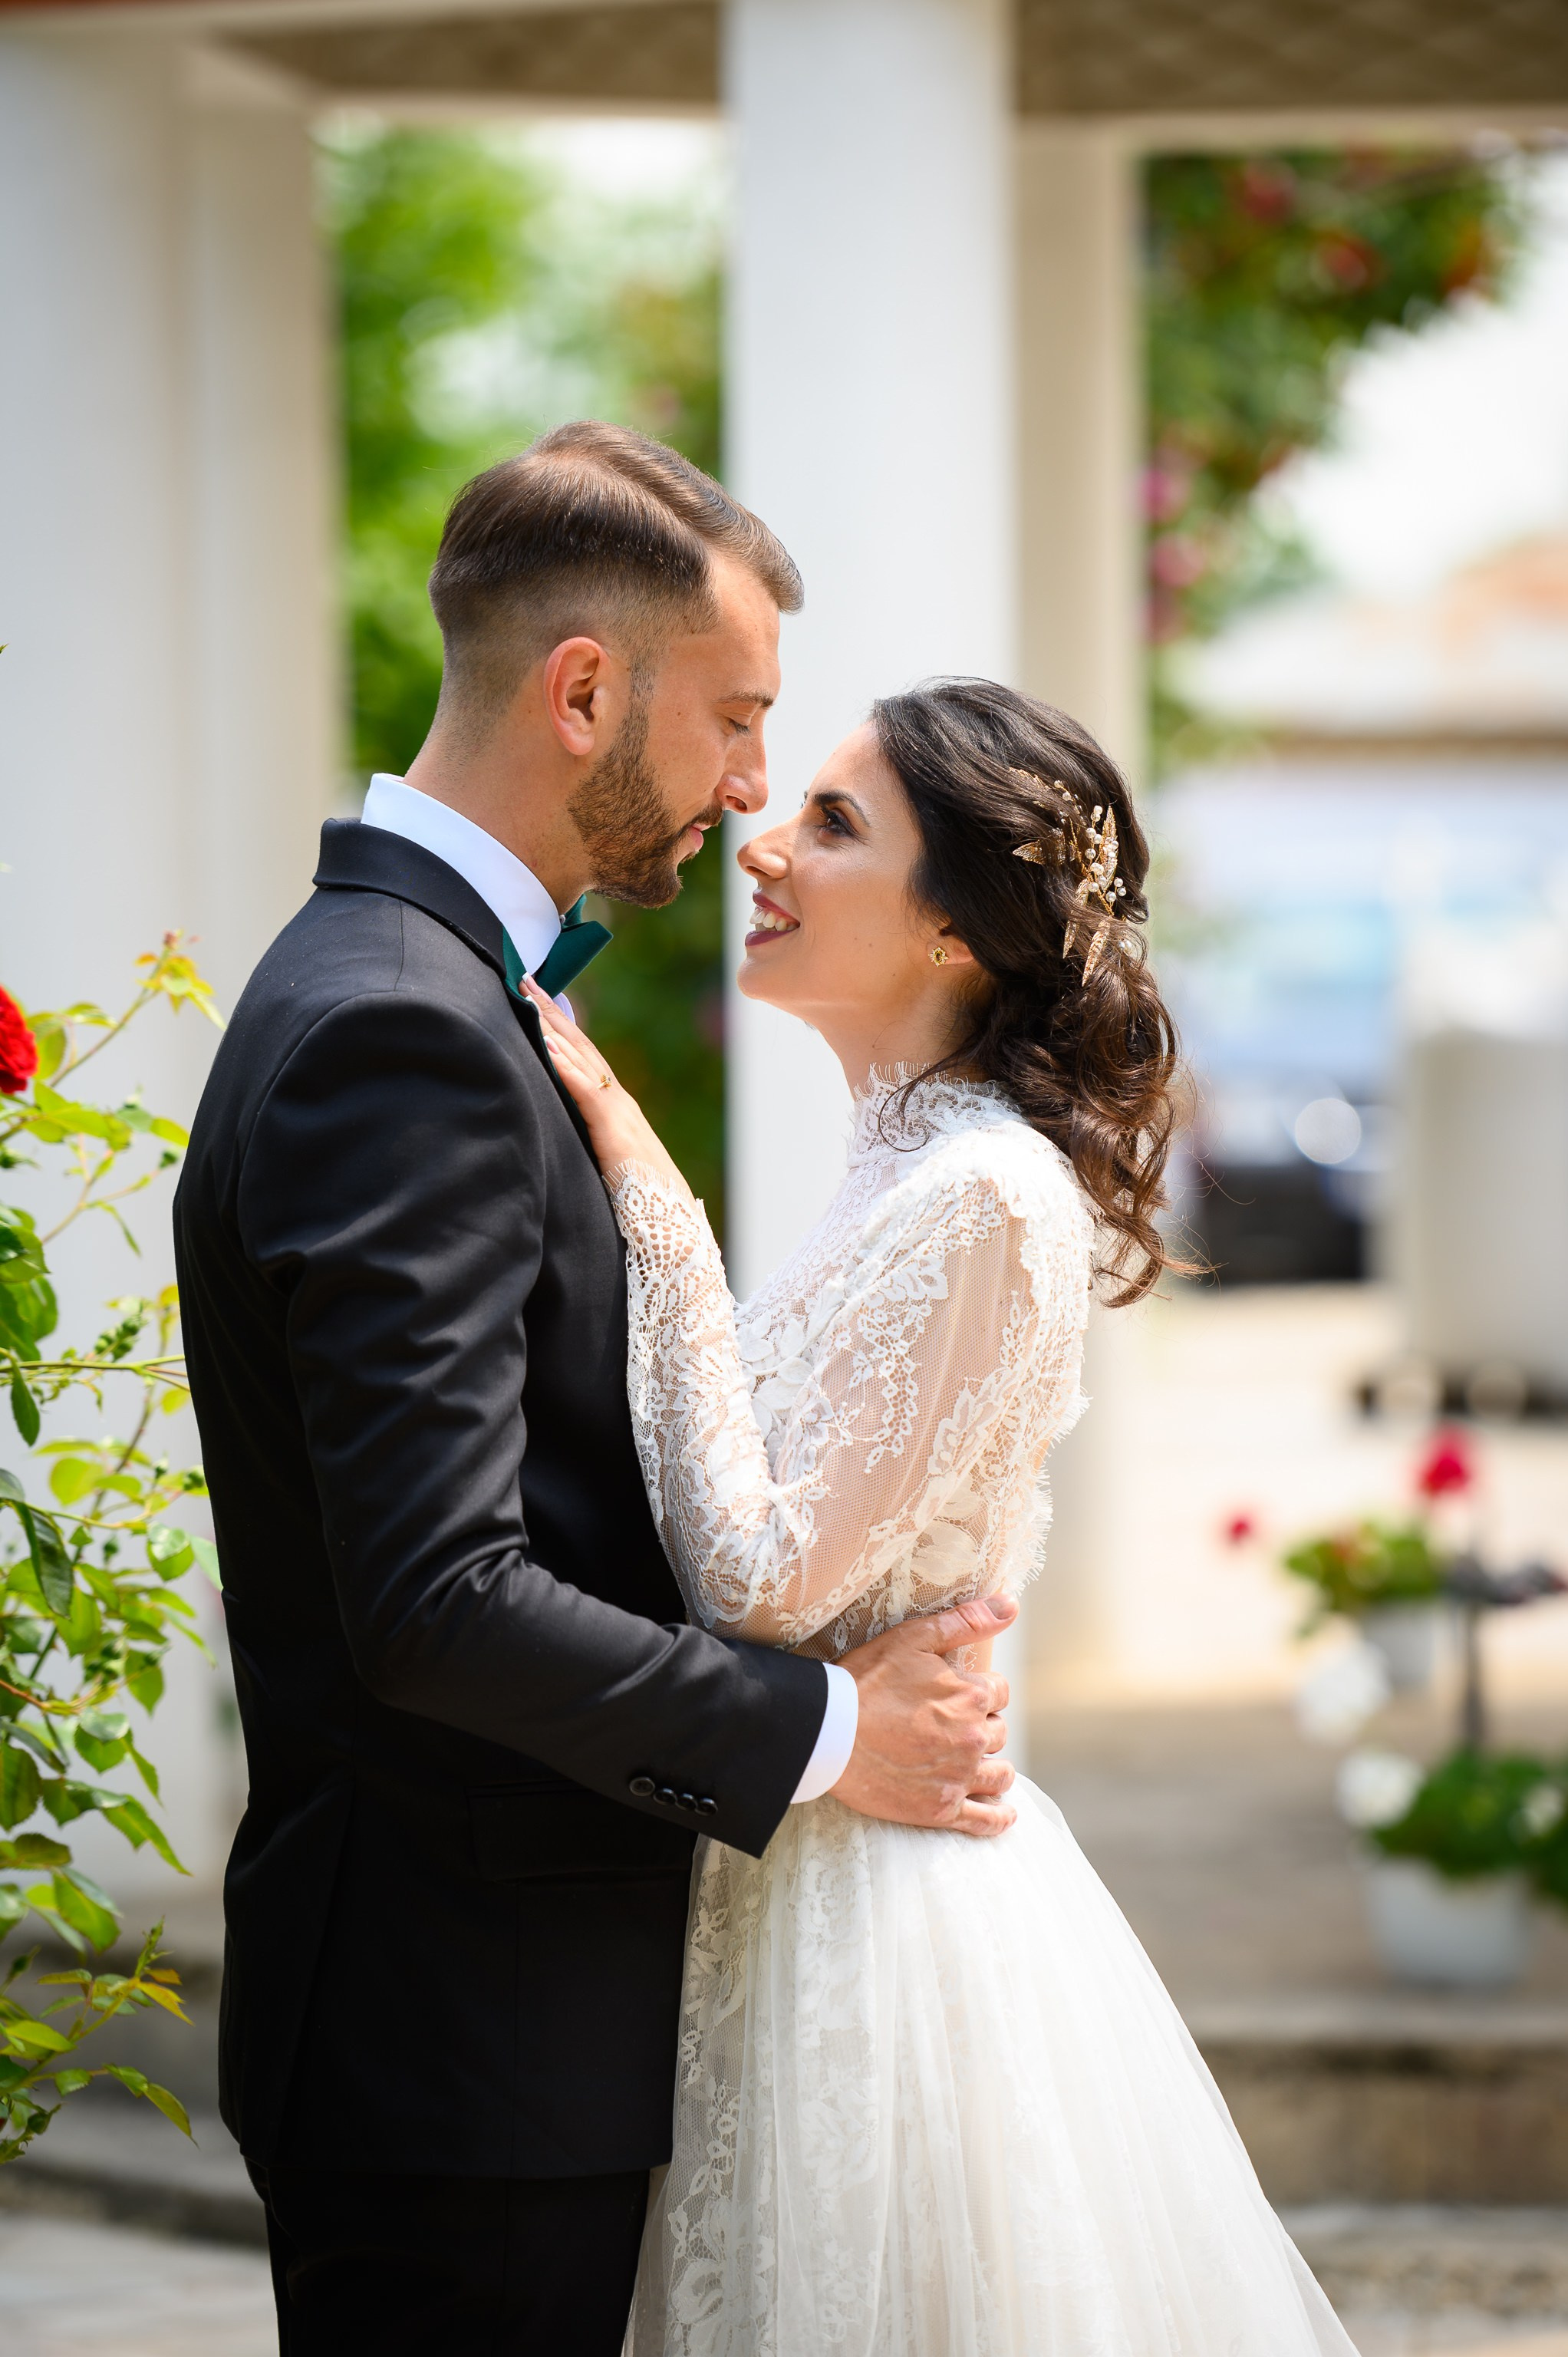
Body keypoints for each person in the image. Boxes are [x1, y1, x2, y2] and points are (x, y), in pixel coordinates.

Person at [172, 424, 1017, 2357]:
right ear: (579, 692)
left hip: (490, 2037)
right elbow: (437, 1598)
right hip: (458, 2051)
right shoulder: (403, 1027)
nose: (744, 794)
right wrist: (824, 1732)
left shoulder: (427, 991)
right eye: (734, 723)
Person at [534, 677, 1361, 2357]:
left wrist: (646, 1186)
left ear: (956, 931)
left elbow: (761, 1577)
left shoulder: (979, 1193)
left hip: (875, 1925)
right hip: (788, 1858)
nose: (764, 845)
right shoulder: (903, 1162)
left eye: (834, 825)